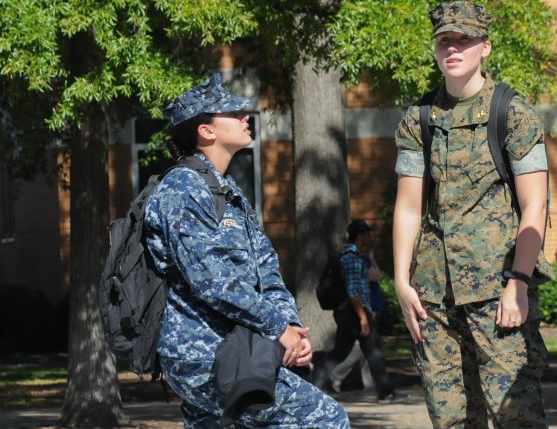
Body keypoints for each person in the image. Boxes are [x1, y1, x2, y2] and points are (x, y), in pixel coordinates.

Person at [143, 73, 349, 428]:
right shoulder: (181, 190)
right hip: (204, 353)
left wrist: (291, 330)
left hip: (238, 349)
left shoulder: (227, 191)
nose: (245, 118)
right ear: (206, 131)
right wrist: (275, 327)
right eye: (233, 114)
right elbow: (213, 282)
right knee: (326, 419)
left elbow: (267, 270)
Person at [393, 0, 555, 428]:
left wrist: (519, 282)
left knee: (515, 415)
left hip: (498, 290)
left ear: (485, 47)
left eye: (463, 40)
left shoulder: (512, 114)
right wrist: (401, 280)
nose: (453, 49)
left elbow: (536, 205)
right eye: (444, 41)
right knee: (451, 420)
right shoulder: (420, 119)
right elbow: (409, 205)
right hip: (434, 295)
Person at [313, 219, 397, 402]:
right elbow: (353, 291)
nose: (370, 236)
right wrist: (363, 318)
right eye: (367, 233)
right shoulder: (351, 258)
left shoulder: (355, 255)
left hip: (348, 312)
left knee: (340, 351)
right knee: (374, 351)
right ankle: (386, 393)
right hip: (355, 311)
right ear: (360, 236)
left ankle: (313, 388)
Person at [329, 244, 384, 394]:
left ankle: (370, 384)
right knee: (362, 347)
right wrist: (371, 257)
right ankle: (336, 374)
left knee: (370, 348)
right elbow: (376, 275)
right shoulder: (357, 259)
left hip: (370, 306)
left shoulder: (358, 258)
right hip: (364, 307)